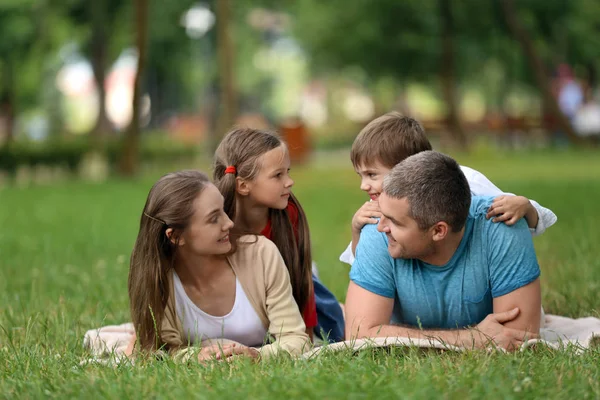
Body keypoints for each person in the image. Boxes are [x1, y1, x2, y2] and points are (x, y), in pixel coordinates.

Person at [345, 151, 541, 350]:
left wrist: (398, 336)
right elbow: (359, 335)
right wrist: (470, 339)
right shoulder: (376, 228)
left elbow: (517, 339)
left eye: (395, 222)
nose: (381, 226)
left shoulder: (502, 225)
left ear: (438, 231)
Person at [127, 170, 310, 361]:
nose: (229, 223)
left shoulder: (261, 254)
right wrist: (197, 357)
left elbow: (296, 338)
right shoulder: (157, 279)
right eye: (214, 218)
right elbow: (162, 351)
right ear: (175, 236)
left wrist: (256, 355)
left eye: (223, 211)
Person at [339, 112, 557, 265]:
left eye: (371, 175)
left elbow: (531, 220)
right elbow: (365, 267)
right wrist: (356, 231)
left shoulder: (463, 182)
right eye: (361, 175)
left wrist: (525, 207)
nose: (363, 185)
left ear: (406, 165)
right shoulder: (378, 207)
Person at [213, 127, 345, 343]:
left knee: (334, 322)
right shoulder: (217, 221)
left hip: (291, 287)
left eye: (288, 172)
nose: (289, 182)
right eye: (278, 175)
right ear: (243, 185)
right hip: (246, 297)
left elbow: (301, 282)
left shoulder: (288, 213)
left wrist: (305, 338)